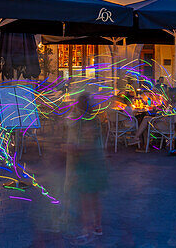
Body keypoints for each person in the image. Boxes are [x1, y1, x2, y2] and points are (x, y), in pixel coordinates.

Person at [64, 91, 107, 244]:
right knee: (94, 198)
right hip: (98, 163)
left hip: (87, 165)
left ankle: (87, 231)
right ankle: (98, 226)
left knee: (85, 200)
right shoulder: (94, 120)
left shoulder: (85, 122)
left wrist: (71, 148)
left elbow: (86, 145)